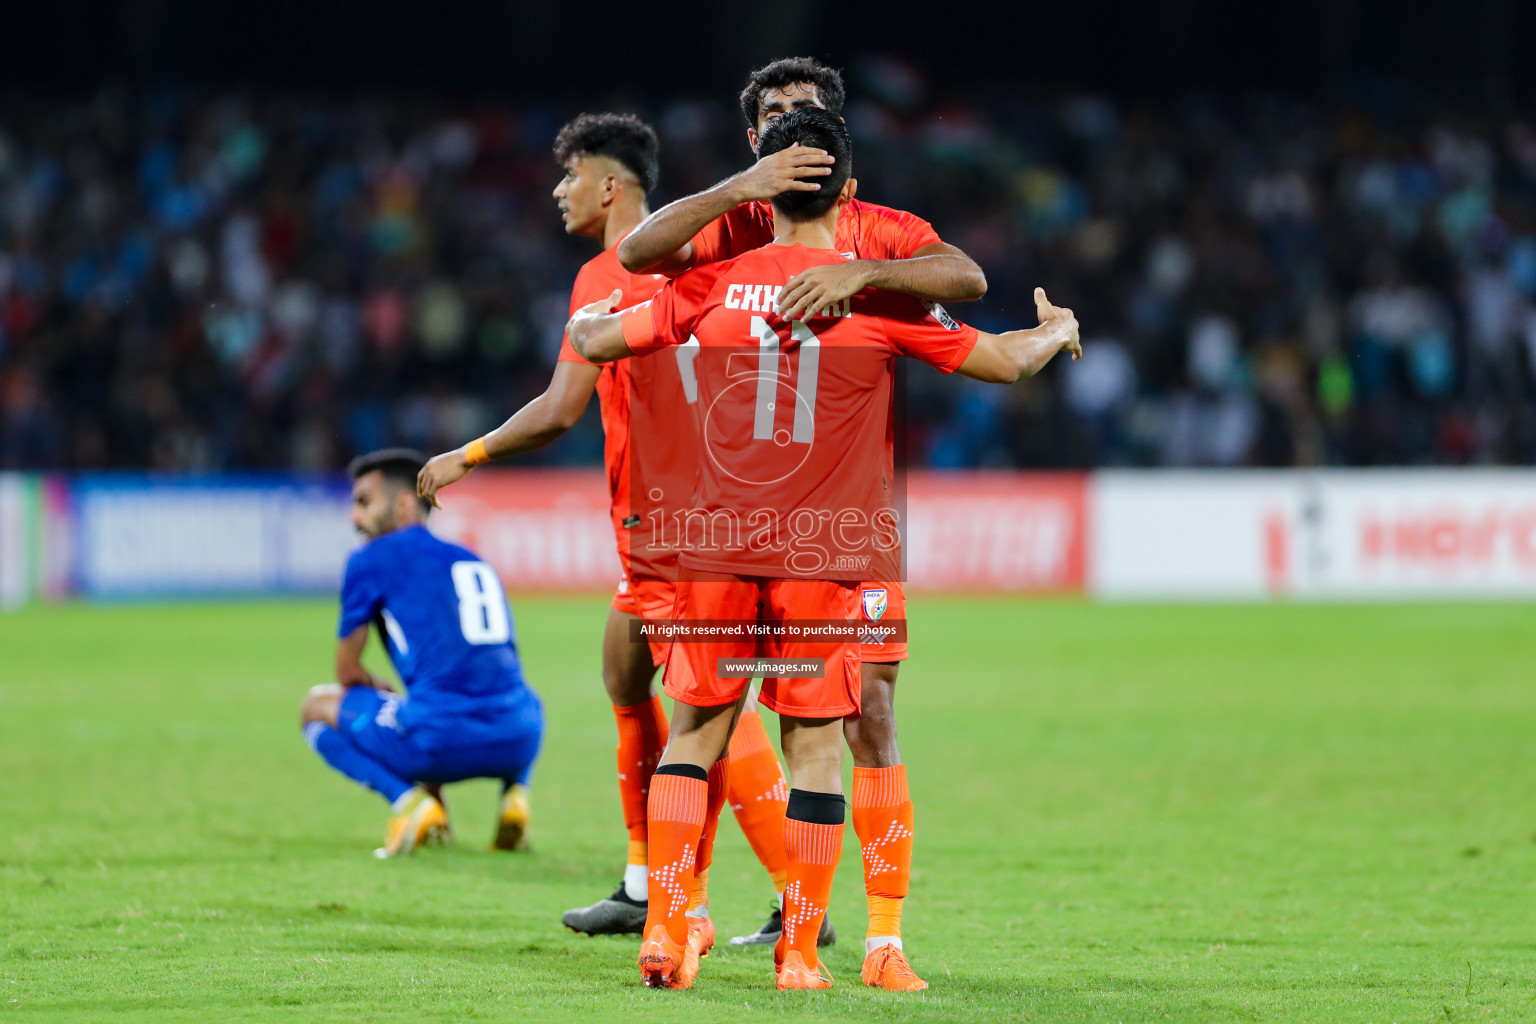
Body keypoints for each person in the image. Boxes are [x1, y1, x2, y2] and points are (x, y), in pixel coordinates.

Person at [570, 107, 1080, 991]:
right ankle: (799, 950)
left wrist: (602, 326)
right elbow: (1001, 359)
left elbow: (598, 340)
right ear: (847, 194)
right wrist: (1056, 332)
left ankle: (663, 929)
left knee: (693, 732)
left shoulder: (715, 283)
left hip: (715, 543)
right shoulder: (872, 294)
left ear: (765, 196)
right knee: (813, 743)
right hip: (822, 548)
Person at [616, 55, 983, 980]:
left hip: (817, 526)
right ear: (755, 143)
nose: (792, 129)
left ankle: (875, 937)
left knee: (863, 717)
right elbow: (638, 255)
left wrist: (857, 276)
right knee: (741, 721)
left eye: (806, 114)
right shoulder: (733, 222)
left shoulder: (876, 230)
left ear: (838, 143)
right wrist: (743, 191)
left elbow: (965, 277)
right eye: (775, 119)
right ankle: (707, 917)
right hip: (777, 529)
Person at [415, 114, 811, 946]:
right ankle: (644, 885)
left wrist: (469, 453)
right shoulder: (720, 260)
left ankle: (787, 904)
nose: (558, 193)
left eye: (570, 178)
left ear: (610, 185)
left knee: (712, 707)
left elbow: (561, 409)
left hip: (678, 523)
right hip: (687, 513)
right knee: (627, 678)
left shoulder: (610, 272)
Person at [300, 449, 544, 857]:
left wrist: (372, 685)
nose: (353, 518)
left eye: (364, 502)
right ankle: (515, 796)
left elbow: (346, 670)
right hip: (520, 735)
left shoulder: (369, 558)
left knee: (314, 707)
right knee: (496, 696)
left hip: (440, 743)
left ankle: (409, 804)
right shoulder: (472, 559)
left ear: (403, 505)